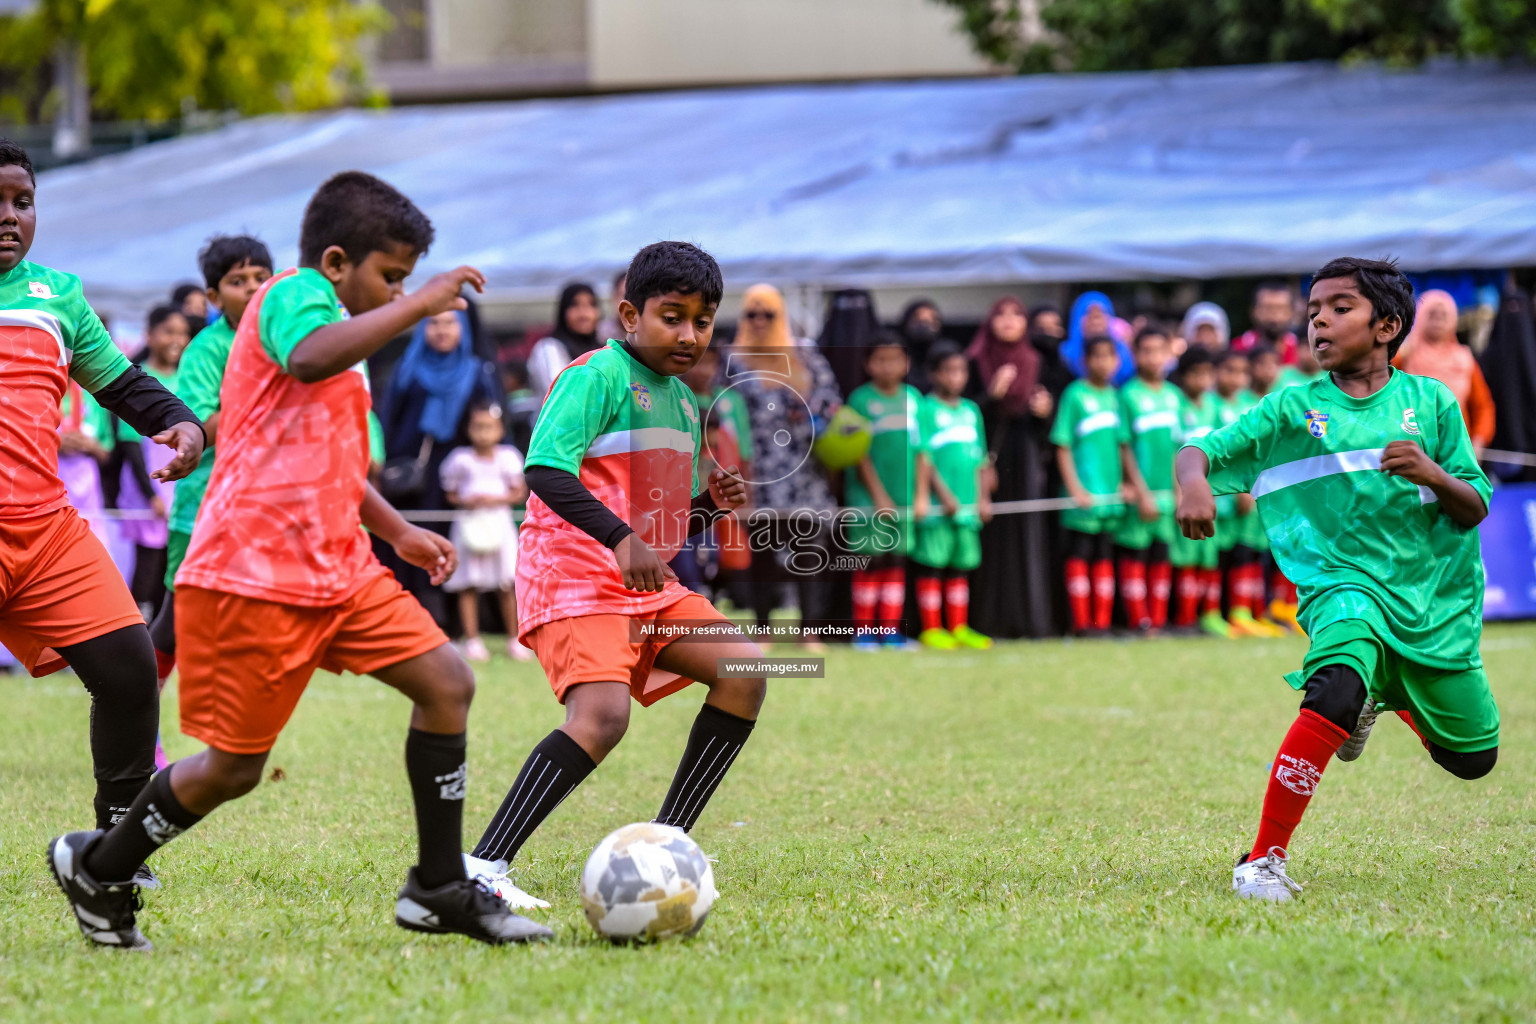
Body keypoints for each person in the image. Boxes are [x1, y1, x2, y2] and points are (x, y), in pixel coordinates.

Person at [49, 170, 545, 950]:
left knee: (447, 683)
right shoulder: (292, 296)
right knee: (233, 770)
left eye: (408, 281)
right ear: (338, 261)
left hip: (340, 566)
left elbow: (330, 462)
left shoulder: (346, 341)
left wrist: (396, 532)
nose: (397, 293)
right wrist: (419, 306)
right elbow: (310, 358)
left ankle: (438, 886)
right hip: (254, 573)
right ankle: (101, 866)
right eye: (390, 276)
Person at [1176, 257, 1498, 901]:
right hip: (1340, 588)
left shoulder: (1431, 402)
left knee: (1473, 759)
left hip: (1428, 597)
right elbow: (1201, 450)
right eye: (1313, 309)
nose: (1318, 318)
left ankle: (1378, 696)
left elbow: (1475, 504)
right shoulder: (1293, 407)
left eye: (1338, 307)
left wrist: (1434, 474)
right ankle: (1261, 860)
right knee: (1332, 689)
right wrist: (1192, 485)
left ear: (1387, 326)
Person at [462, 241, 761, 911]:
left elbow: (662, 527)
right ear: (630, 314)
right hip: (571, 572)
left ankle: (668, 851)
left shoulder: (684, 403)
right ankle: (483, 865)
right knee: (602, 717)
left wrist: (711, 505)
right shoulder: (594, 376)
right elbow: (543, 469)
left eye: (703, 319)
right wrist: (622, 539)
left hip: (641, 585)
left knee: (745, 670)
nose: (689, 334)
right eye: (672, 316)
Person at [0, 140, 204, 880]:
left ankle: (116, 854)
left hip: (45, 531)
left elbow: (119, 383)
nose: (9, 217)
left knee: (128, 669)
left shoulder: (57, 294)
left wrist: (181, 422)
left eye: (22, 202)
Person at [146, 235, 274, 768]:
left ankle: (235, 741)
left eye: (260, 276)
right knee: (175, 626)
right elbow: (200, 427)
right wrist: (261, 392)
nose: (252, 288)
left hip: (264, 510)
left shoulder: (287, 342)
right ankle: (136, 722)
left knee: (253, 624)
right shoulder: (206, 349)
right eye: (237, 281)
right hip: (203, 509)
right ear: (214, 296)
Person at [734, 282, 842, 644]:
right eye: (752, 313)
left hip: (805, 470)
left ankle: (808, 630)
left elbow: (832, 401)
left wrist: (812, 416)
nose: (760, 320)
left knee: (808, 549)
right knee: (762, 551)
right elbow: (726, 415)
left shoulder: (805, 354)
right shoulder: (736, 360)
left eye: (769, 313)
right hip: (758, 472)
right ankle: (762, 628)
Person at [379, 307, 499, 625]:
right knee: (415, 541)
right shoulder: (408, 368)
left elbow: (490, 422)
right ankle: (414, 620)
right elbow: (389, 421)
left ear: (463, 329)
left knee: (460, 544)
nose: (442, 330)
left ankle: (459, 626)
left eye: (450, 323)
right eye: (433, 323)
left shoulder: (475, 372)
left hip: (460, 478)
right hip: (412, 479)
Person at [969, 298, 1057, 639]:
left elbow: (1047, 429)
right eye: (1000, 314)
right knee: (990, 540)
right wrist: (990, 396)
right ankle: (986, 620)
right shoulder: (975, 361)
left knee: (1025, 538)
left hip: (1024, 459)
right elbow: (964, 412)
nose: (1008, 321)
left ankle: (1027, 620)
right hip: (986, 459)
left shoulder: (1037, 362)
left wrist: (1043, 412)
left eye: (1016, 314)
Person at [112, 306, 192, 617]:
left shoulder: (189, 377)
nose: (177, 339)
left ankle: (160, 641)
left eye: (182, 332)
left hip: (182, 491)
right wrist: (151, 495)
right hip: (152, 491)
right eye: (169, 331)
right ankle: (138, 631)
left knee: (171, 570)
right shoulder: (138, 379)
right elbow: (131, 446)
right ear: (150, 335)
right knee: (148, 565)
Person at [846, 334, 924, 649]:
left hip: (905, 497)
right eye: (880, 358)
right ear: (868, 364)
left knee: (895, 562)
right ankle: (863, 632)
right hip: (869, 500)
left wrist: (920, 495)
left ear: (906, 363)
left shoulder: (915, 399)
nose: (888, 365)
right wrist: (878, 495)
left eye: (895, 358)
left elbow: (922, 452)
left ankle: (891, 631)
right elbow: (858, 453)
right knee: (869, 561)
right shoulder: (860, 400)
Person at [911, 343, 991, 650]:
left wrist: (983, 498)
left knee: (960, 568)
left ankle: (959, 626)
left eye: (960, 371)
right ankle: (932, 628)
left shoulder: (972, 411)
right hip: (937, 508)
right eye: (947, 371)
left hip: (968, 507)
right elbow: (924, 457)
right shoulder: (926, 409)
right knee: (933, 566)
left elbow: (981, 459)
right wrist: (942, 496)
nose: (955, 377)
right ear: (933, 374)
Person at [440, 402, 529, 663]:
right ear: (469, 428)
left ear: (500, 429)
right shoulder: (459, 459)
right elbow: (451, 493)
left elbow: (519, 491)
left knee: (507, 583)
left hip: (499, 524)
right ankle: (473, 640)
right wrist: (468, 501)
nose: (483, 433)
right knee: (468, 582)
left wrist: (495, 500)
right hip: (469, 525)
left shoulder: (509, 457)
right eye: (478, 427)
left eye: (489, 427)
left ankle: (515, 639)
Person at [1051, 336, 1127, 636]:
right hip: (1083, 499)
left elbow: (1123, 446)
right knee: (1080, 556)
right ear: (1084, 361)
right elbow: (1062, 445)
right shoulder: (1074, 395)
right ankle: (1082, 624)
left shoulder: (1115, 396)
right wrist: (1075, 488)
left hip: (1111, 497)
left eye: (1109, 356)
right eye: (1096, 356)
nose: (1103, 363)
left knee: (1104, 557)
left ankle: (1102, 623)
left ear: (1117, 361)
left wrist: (1125, 483)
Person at [1210, 350, 1284, 638]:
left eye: (1242, 372)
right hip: (1234, 494)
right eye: (1233, 371)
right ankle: (1228, 612)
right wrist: (1243, 486)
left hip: (1261, 493)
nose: (1238, 378)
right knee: (1229, 553)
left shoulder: (1262, 404)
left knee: (1255, 553)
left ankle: (1251, 611)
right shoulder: (1222, 405)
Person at [1114, 326, 1180, 632]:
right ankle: (1138, 620)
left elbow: (1182, 449)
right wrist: (1141, 493)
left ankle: (1157, 619)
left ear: (1169, 354)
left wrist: (1181, 493)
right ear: (1134, 355)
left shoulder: (1174, 396)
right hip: (1143, 496)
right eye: (1146, 351)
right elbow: (1124, 447)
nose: (1153, 357)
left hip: (1169, 495)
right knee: (1136, 556)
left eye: (1159, 351)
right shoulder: (1128, 395)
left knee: (1161, 557)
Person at [1393, 289, 1496, 450]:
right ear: (1420, 317)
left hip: (1456, 448)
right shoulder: (1404, 356)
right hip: (1412, 447)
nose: (1438, 321)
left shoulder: (1464, 360)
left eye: (1444, 316)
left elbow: (1483, 407)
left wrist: (1478, 441)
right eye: (1432, 315)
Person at [1168, 348, 1221, 633]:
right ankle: (1185, 619)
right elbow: (1173, 452)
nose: (1202, 380)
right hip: (1187, 495)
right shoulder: (1176, 406)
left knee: (1208, 556)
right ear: (1183, 376)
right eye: (1195, 373)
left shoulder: (1213, 406)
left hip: (1213, 496)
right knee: (1185, 556)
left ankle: (1208, 616)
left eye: (1206, 373)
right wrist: (1180, 491)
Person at [526, 282, 602, 401]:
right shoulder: (549, 348)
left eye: (591, 305)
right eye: (575, 305)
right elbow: (560, 393)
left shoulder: (603, 350)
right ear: (563, 311)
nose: (584, 314)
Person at [1062, 292, 1134, 385]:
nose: (1095, 320)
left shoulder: (1124, 354)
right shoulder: (1064, 356)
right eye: (1088, 313)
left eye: (1101, 313)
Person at [1232, 281, 1300, 364]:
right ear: (1253, 311)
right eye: (1268, 308)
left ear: (1291, 312)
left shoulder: (1302, 349)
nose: (1274, 315)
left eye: (1280, 308)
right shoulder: (1238, 349)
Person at [898, 298, 943, 391]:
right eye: (918, 321)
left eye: (929, 322)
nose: (924, 326)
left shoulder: (944, 356)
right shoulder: (896, 354)